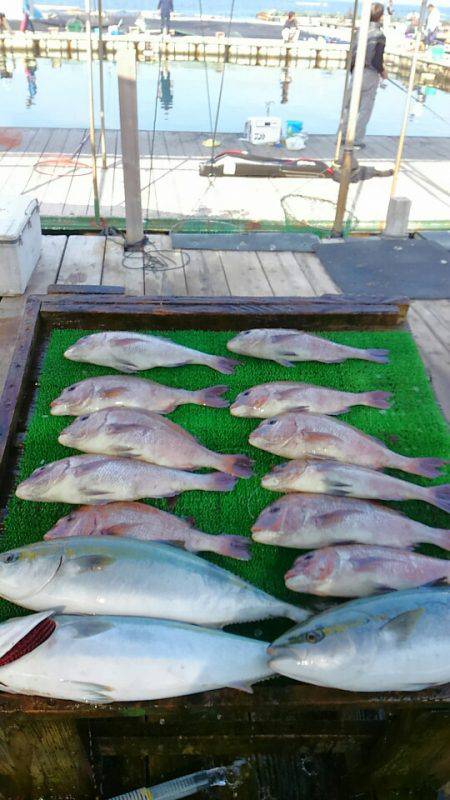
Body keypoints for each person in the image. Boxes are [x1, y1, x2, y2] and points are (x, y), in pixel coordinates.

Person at [343, 2, 387, 149]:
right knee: (365, 108)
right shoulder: (380, 35)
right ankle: (356, 140)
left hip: (356, 71)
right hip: (370, 73)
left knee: (349, 106)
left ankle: (342, 136)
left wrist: (353, 70)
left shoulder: (359, 31)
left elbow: (352, 54)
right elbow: (377, 60)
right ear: (380, 16)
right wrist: (383, 72)